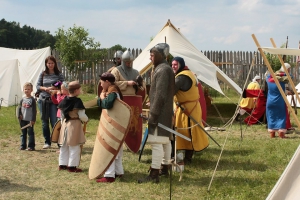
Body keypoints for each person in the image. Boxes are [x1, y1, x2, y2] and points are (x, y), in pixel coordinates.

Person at [138, 43, 174, 184]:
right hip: (164, 110)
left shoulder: (163, 70)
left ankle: (154, 174)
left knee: (157, 142)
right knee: (165, 141)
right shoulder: (164, 68)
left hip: (160, 112)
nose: (150, 57)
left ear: (160, 55)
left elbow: (160, 96)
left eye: (153, 55)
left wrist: (153, 113)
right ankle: (165, 167)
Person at [172, 56, 209, 164]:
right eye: (172, 64)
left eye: (176, 64)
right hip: (187, 108)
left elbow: (171, 90)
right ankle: (183, 157)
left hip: (188, 109)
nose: (173, 66)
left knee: (189, 132)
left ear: (181, 65)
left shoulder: (182, 77)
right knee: (184, 131)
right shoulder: (188, 73)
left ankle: (187, 158)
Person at [96, 72, 124, 183]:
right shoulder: (110, 91)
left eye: (102, 82)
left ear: (107, 82)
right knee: (116, 148)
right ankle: (118, 172)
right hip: (115, 123)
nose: (101, 84)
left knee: (110, 149)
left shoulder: (113, 92)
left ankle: (109, 175)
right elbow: (99, 103)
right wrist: (102, 97)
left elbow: (107, 105)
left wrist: (102, 98)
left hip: (114, 124)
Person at [57, 81, 88, 172]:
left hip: (65, 124)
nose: (80, 91)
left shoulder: (64, 100)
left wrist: (63, 124)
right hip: (74, 124)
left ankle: (62, 164)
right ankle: (72, 166)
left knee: (64, 145)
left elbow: (62, 115)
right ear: (76, 90)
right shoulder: (77, 101)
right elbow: (81, 115)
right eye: (79, 89)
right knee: (74, 146)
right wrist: (86, 120)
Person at [36, 55, 64, 149]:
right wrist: (45, 88)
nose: (50, 65)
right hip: (43, 99)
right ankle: (47, 142)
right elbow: (38, 86)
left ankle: (57, 140)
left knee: (54, 121)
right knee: (44, 121)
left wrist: (53, 88)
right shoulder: (43, 74)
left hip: (54, 100)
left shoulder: (58, 74)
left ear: (55, 64)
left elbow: (62, 84)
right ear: (46, 64)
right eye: (48, 63)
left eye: (52, 63)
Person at [266, 63, 291, 138]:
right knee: (281, 116)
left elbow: (268, 75)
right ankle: (281, 133)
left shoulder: (268, 79)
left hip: (270, 100)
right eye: (288, 69)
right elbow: (285, 89)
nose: (289, 71)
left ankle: (272, 134)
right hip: (279, 100)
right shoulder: (283, 80)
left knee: (271, 116)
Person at [18, 82, 37, 151]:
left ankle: (31, 146)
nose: (27, 90)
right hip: (23, 119)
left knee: (30, 133)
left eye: (28, 89)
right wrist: (19, 115)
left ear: (31, 90)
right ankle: (23, 145)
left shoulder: (32, 100)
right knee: (23, 133)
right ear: (23, 90)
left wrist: (33, 120)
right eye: (25, 89)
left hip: (29, 120)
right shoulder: (22, 100)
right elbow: (20, 108)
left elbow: (34, 111)